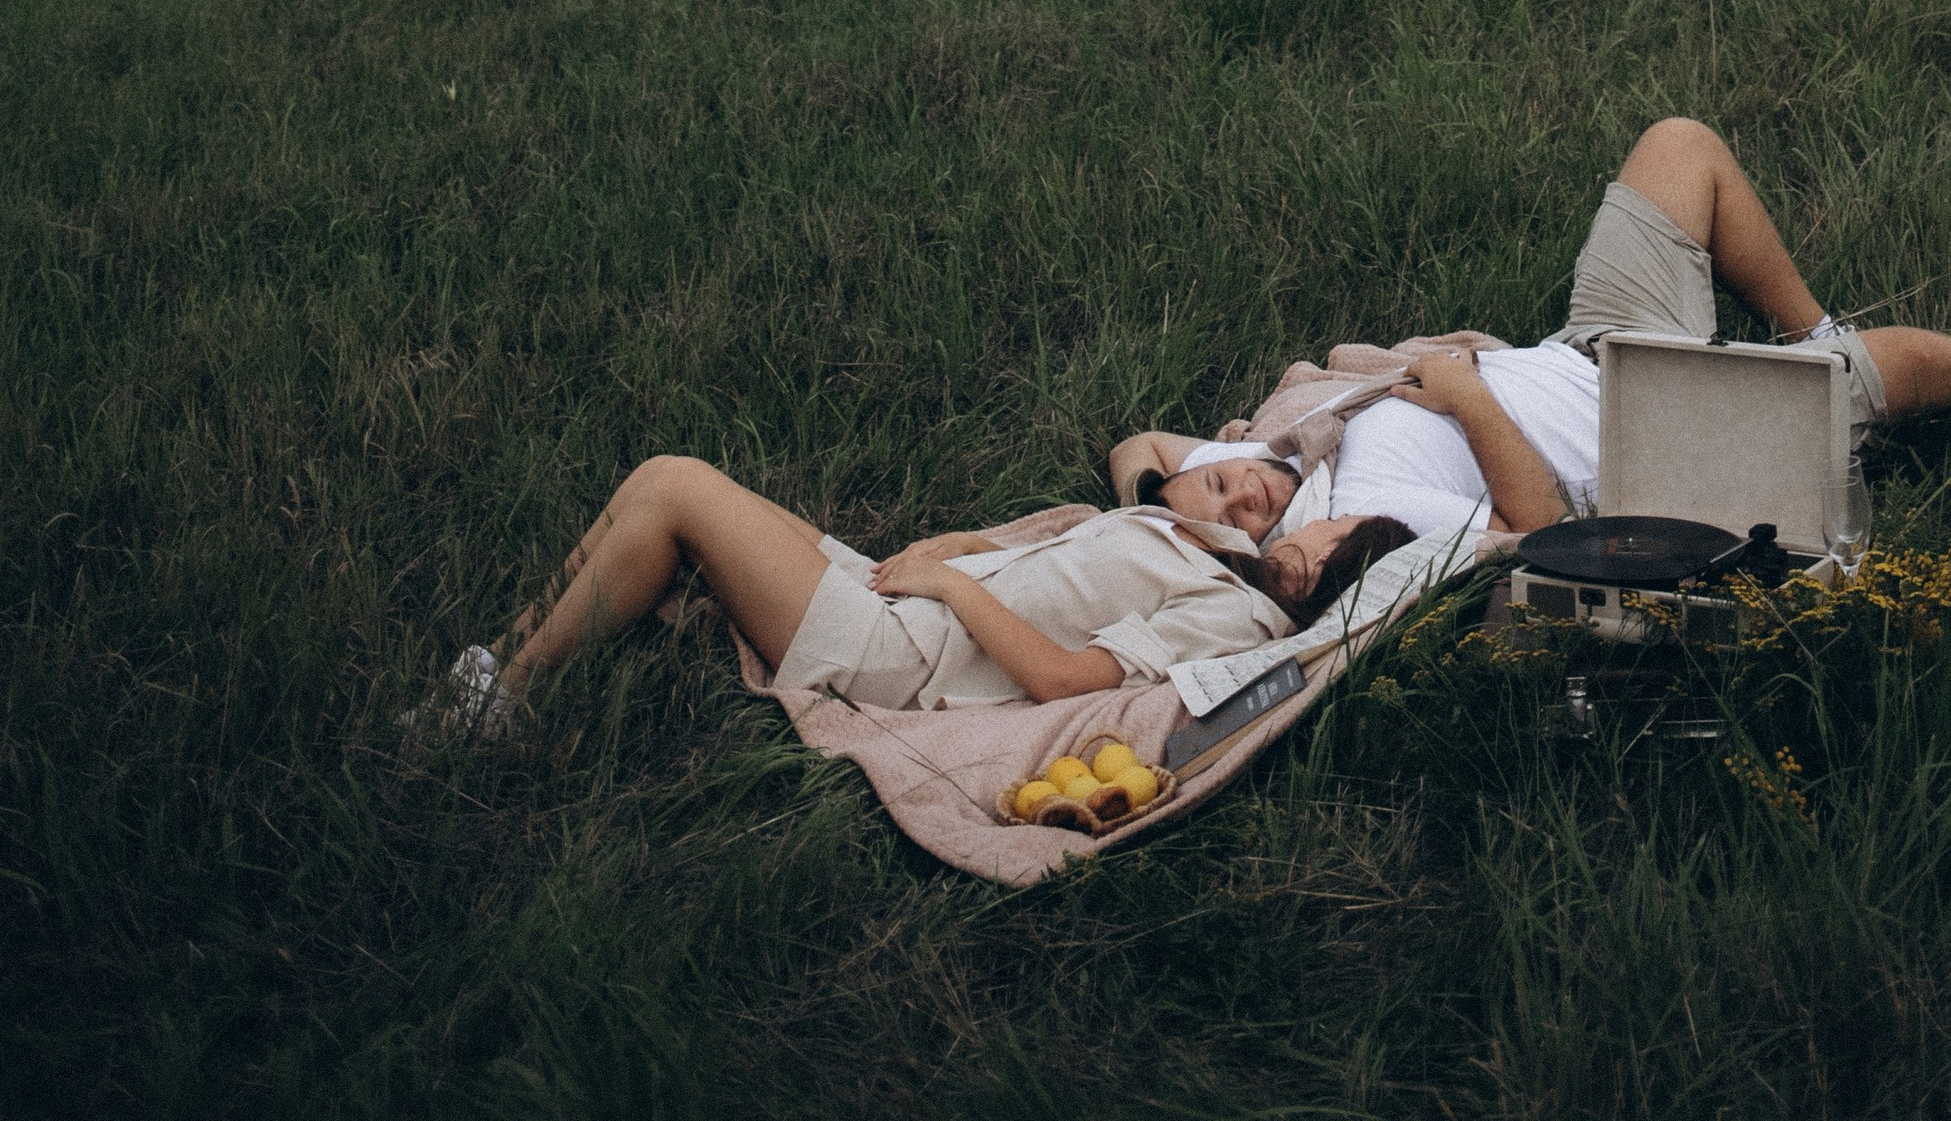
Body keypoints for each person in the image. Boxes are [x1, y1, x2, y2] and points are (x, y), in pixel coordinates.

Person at [1114, 116, 1951, 545]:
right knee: (1918, 362)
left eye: (1218, 486)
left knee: (1678, 146)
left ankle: (1808, 339)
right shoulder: (1346, 523)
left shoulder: (1261, 449)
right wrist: (1466, 401)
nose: (1241, 498)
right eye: (1225, 517)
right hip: (1656, 435)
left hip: (1589, 350)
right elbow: (1533, 536)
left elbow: (1138, 449)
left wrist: (1160, 488)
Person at [412, 450, 1415, 742]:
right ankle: (499, 664)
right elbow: (1132, 474)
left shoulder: (1241, 617)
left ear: (1339, 574)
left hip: (905, 656)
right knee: (654, 482)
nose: (1287, 534)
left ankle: (503, 702)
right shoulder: (1206, 548)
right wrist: (967, 554)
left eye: (1316, 539)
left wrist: (945, 585)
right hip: (902, 602)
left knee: (678, 491)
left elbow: (1065, 681)